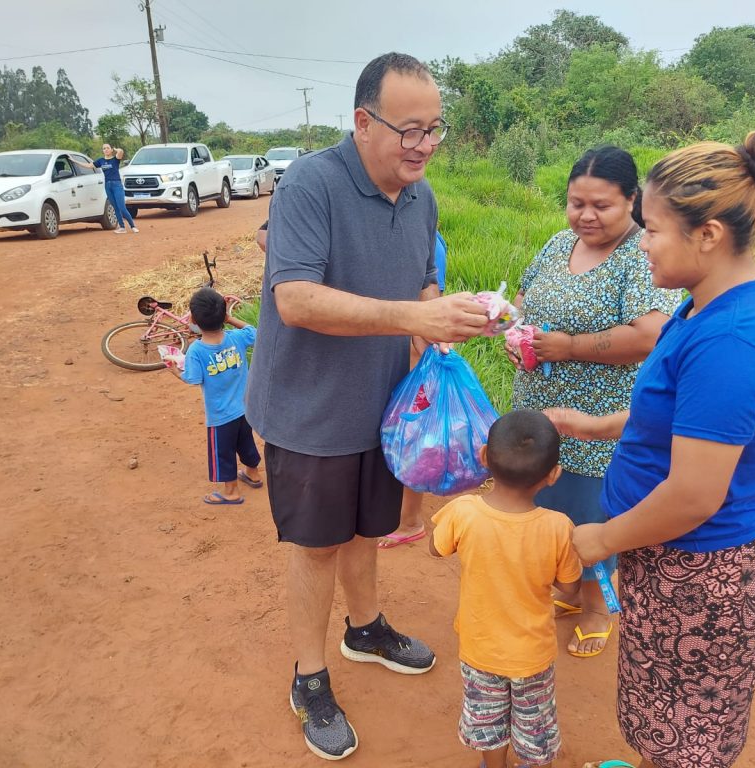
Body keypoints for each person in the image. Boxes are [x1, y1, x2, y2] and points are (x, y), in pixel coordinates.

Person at [245, 52, 489, 761]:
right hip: (309, 411)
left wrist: (445, 316)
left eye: (434, 130)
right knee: (318, 544)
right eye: (408, 130)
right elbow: (294, 299)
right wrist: (411, 318)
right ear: (362, 121)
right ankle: (309, 676)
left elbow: (419, 288)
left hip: (382, 409)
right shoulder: (310, 186)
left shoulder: (423, 198)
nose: (423, 146)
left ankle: (366, 627)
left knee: (366, 531)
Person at [551, 132, 755, 768]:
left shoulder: (733, 344)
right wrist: (602, 425)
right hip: (671, 559)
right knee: (663, 707)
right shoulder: (707, 306)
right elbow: (681, 419)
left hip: (698, 570)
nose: (642, 243)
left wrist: (601, 540)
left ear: (709, 234)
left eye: (653, 229)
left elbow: (694, 494)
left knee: (690, 731)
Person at [507, 147, 681, 658]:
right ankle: (566, 589)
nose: (585, 215)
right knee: (548, 510)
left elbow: (651, 334)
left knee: (592, 516)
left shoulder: (639, 256)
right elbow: (523, 299)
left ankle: (595, 606)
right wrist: (512, 329)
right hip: (540, 413)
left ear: (632, 201)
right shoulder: (559, 243)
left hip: (597, 424)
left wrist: (570, 347)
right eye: (575, 202)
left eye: (601, 205)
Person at [430, 410, 582, 768]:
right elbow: (571, 589)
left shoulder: (463, 512)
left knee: (488, 722)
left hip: (480, 647)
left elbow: (436, 548)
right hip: (532, 654)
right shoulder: (559, 527)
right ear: (553, 475)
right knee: (534, 724)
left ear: (484, 456)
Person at [378, 229, 448, 549]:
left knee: (412, 438)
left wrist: (423, 356)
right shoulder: (417, 238)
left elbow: (428, 313)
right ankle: (403, 516)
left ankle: (410, 521)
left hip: (414, 363)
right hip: (405, 359)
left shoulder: (426, 242)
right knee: (403, 437)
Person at [168, 287, 262, 505]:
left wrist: (175, 370)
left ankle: (231, 492)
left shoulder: (196, 350)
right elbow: (254, 332)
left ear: (192, 319)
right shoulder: (236, 338)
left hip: (220, 416)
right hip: (244, 408)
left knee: (223, 452)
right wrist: (231, 318)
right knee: (245, 441)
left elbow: (192, 378)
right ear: (224, 316)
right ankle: (253, 473)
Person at [72, 144, 137, 233]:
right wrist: (75, 161)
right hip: (107, 185)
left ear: (111, 150)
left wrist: (116, 149)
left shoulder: (115, 159)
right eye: (104, 148)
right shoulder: (101, 161)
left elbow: (121, 152)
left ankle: (132, 226)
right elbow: (89, 165)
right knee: (115, 207)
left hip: (117, 185)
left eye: (107, 148)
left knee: (122, 207)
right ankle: (122, 227)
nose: (106, 150)